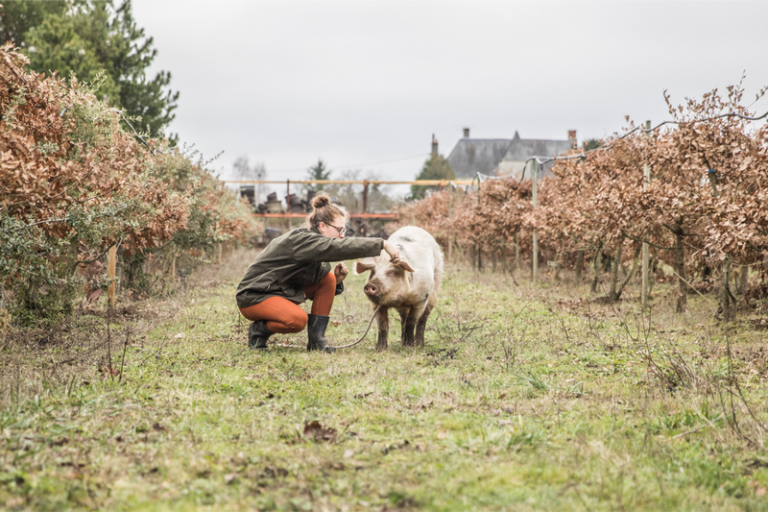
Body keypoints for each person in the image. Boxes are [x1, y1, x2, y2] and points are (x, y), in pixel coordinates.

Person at [235, 193, 401, 352]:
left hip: (277, 291)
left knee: (328, 278)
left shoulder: (315, 247)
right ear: (322, 226)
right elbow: (341, 247)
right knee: (297, 320)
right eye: (339, 230)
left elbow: (313, 286)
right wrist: (383, 244)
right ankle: (258, 331)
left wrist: (336, 281)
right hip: (254, 296)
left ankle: (317, 342)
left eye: (344, 231)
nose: (342, 236)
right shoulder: (303, 240)